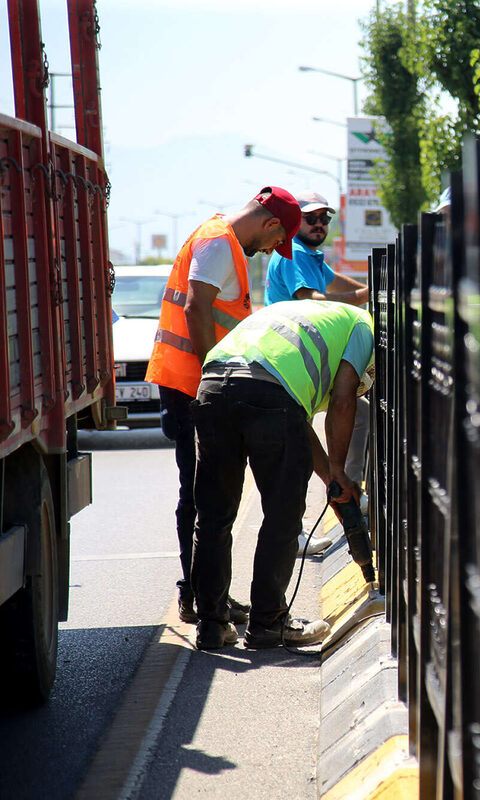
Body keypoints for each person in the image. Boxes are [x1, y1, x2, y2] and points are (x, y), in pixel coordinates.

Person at [145, 186, 302, 626]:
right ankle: (197, 595)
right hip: (192, 384)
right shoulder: (218, 242)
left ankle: (207, 595)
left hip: (199, 383)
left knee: (206, 495)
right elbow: (197, 308)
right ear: (271, 224)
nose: (271, 251)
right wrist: (213, 371)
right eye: (276, 242)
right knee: (200, 496)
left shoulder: (223, 243)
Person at [189, 299, 374, 650]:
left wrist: (330, 478)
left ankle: (212, 626)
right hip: (268, 395)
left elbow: (299, 419)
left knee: (214, 516)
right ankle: (268, 624)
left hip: (214, 386)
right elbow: (344, 399)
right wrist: (339, 467)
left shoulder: (306, 318)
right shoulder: (363, 324)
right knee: (283, 515)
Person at [265, 189, 371, 556]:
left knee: (359, 414)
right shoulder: (293, 252)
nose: (320, 224)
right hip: (288, 354)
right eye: (312, 218)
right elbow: (311, 298)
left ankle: (349, 489)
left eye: (325, 218)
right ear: (296, 223)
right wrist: (361, 299)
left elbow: (337, 281)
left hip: (303, 353)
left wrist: (373, 291)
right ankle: (337, 496)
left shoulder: (310, 255)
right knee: (294, 449)